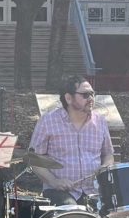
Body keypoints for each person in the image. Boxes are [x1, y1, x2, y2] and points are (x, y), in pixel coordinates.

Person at [29, 75, 114, 207]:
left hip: (93, 192)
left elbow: (108, 154)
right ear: (68, 98)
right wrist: (54, 181)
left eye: (92, 94)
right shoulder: (48, 121)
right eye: (85, 95)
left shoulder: (100, 121)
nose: (91, 98)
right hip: (59, 192)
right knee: (72, 212)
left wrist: (104, 168)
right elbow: (34, 160)